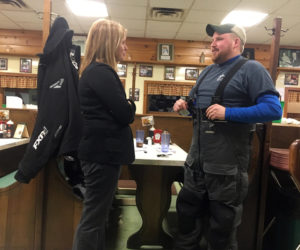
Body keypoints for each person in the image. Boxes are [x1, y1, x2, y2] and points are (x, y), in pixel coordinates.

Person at [173, 23, 282, 250]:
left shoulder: (252, 69)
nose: (213, 43)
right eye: (212, 39)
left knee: (220, 234)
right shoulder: (207, 73)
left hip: (226, 172)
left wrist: (228, 113)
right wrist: (183, 105)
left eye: (219, 39)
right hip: (196, 168)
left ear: (236, 42)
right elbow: (193, 106)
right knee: (186, 227)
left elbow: (274, 110)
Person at [72, 19, 136, 250]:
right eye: (123, 42)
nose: (126, 47)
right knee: (94, 218)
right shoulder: (101, 72)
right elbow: (125, 113)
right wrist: (130, 103)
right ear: (110, 44)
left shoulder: (95, 72)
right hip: (102, 154)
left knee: (98, 216)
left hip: (100, 153)